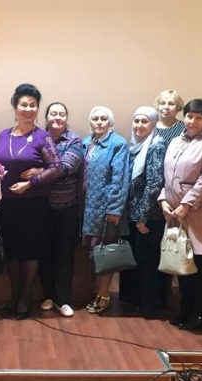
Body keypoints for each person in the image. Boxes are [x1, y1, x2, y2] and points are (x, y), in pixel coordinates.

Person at [0, 83, 62, 320]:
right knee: (12, 251)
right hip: (7, 203)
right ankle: (13, 296)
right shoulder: (4, 135)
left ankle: (25, 299)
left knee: (30, 252)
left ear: (38, 109)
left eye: (33, 105)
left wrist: (31, 183)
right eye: (24, 104)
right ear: (15, 107)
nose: (28, 109)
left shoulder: (42, 137)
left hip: (33, 204)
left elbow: (57, 167)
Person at [158, 99, 202, 331]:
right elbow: (167, 177)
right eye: (189, 116)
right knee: (182, 263)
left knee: (200, 264)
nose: (193, 121)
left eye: (199, 117)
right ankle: (185, 309)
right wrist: (163, 200)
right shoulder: (176, 140)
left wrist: (186, 205)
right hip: (174, 213)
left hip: (199, 211)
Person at [119, 106, 168, 319]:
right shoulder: (133, 146)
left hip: (148, 217)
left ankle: (149, 304)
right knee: (134, 259)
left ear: (153, 124)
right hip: (132, 214)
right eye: (136, 121)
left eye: (144, 121)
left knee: (147, 261)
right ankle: (133, 300)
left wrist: (142, 216)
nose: (139, 125)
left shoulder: (156, 145)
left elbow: (155, 183)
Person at [81, 106, 130, 315]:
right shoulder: (85, 143)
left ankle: (104, 294)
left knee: (106, 252)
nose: (99, 122)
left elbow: (120, 179)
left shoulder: (118, 144)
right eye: (95, 118)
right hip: (87, 208)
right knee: (94, 252)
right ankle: (94, 292)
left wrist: (114, 209)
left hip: (105, 208)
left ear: (110, 123)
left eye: (103, 118)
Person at [38, 102, 85, 318]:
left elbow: (65, 168)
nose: (57, 117)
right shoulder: (38, 137)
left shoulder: (74, 140)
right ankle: (48, 295)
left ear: (66, 118)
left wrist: (38, 172)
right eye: (53, 113)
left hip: (67, 208)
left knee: (64, 254)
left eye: (62, 114)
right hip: (40, 206)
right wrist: (46, 171)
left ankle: (63, 299)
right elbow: (27, 164)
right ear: (46, 117)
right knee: (44, 252)